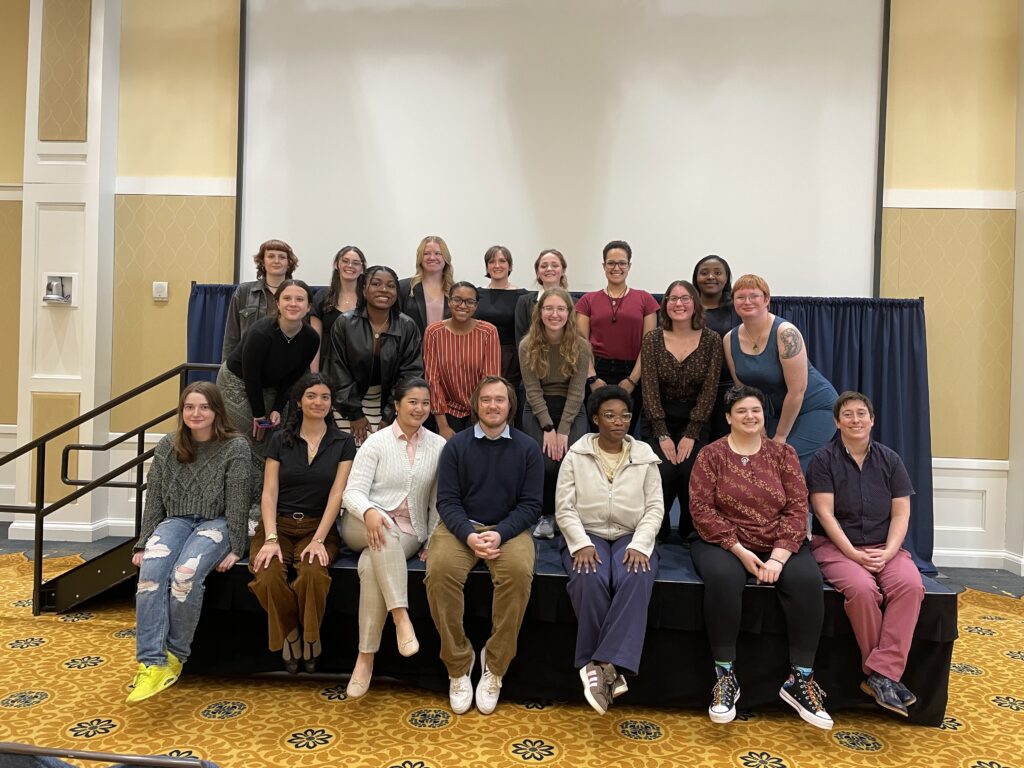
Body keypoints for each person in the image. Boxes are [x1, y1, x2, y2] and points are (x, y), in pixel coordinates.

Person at [689, 385, 832, 730]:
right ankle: (725, 677)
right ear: (728, 418)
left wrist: (779, 558)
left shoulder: (783, 455)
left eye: (755, 410)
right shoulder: (711, 455)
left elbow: (798, 509)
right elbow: (701, 509)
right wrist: (739, 551)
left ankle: (801, 679)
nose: (750, 416)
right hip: (722, 541)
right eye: (741, 411)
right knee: (724, 580)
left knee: (807, 580)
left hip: (778, 542)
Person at [424, 376, 543, 715]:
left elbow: (531, 505)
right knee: (440, 571)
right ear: (476, 405)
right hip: (462, 528)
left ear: (510, 405)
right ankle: (458, 665)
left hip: (508, 529)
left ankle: (495, 666)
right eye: (487, 399)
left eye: (500, 400)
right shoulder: (457, 446)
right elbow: (447, 501)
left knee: (519, 574)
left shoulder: (528, 448)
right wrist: (470, 535)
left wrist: (501, 533)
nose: (493, 406)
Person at [127, 382, 250, 703]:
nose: (196, 413)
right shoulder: (169, 445)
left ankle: (175, 656)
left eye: (204, 407)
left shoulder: (235, 446)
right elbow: (154, 496)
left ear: (217, 411)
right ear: (182, 412)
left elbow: (238, 501)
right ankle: (151, 662)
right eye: (189, 407)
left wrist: (237, 546)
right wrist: (143, 543)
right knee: (150, 576)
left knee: (184, 575)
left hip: (217, 522)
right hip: (177, 520)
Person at [808, 391, 923, 717]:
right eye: (847, 414)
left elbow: (901, 513)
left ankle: (880, 674)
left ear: (872, 420)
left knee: (911, 586)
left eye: (861, 414)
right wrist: (853, 555)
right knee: (861, 590)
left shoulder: (891, 460)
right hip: (836, 548)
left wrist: (887, 552)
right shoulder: (822, 460)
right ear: (837, 422)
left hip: (885, 547)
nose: (855, 420)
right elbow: (825, 514)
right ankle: (883, 676)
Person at [555, 386, 663, 715]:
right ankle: (609, 671)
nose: (619, 422)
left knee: (635, 573)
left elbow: (655, 509)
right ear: (595, 419)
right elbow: (564, 508)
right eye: (610, 415)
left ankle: (600, 666)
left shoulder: (644, 455)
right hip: (587, 533)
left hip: (632, 534)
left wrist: (642, 544)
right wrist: (581, 543)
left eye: (625, 415)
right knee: (588, 576)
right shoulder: (576, 455)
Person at [341, 377, 447, 698]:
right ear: (397, 405)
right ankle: (401, 617)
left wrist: (432, 540)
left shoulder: (439, 446)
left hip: (408, 530)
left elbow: (438, 502)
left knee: (370, 566)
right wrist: (371, 512)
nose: (419, 408)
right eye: (412, 402)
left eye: (425, 403)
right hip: (363, 522)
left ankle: (365, 657)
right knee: (381, 532)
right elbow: (352, 492)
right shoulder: (376, 442)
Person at [248, 373, 356, 674]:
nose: (318, 402)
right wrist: (270, 538)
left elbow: (338, 494)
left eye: (324, 397)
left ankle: (311, 637)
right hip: (278, 525)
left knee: (313, 574)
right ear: (299, 401)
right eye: (311, 396)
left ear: (331, 403)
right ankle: (293, 634)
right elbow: (269, 493)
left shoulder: (343, 442)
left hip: (318, 527)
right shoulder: (280, 438)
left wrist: (319, 539)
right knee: (267, 574)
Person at [724, 274, 838, 471]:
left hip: (815, 408)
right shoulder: (729, 339)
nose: (747, 301)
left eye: (754, 296)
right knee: (761, 462)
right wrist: (759, 429)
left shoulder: (786, 333)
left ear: (767, 300)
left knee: (784, 463)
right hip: (774, 412)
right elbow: (743, 392)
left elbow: (797, 392)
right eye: (740, 297)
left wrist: (780, 437)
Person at [640, 280, 722, 541]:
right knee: (662, 470)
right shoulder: (652, 339)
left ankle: (691, 530)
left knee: (691, 471)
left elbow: (710, 391)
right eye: (672, 298)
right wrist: (662, 434)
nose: (679, 304)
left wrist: (692, 433)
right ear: (665, 304)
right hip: (658, 417)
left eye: (685, 298)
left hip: (696, 418)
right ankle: (657, 530)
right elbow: (649, 389)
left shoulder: (712, 340)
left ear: (695, 303)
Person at [218, 280, 320, 463]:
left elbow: (293, 377)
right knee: (249, 434)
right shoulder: (261, 333)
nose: (293, 304)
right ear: (278, 304)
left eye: (300, 299)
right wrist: (259, 414)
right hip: (238, 382)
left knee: (273, 431)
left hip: (274, 385)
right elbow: (252, 377)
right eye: (287, 298)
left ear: (309, 306)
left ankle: (266, 485)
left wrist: (277, 408)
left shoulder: (311, 338)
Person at [518, 287, 591, 539]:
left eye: (560, 309)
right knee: (547, 463)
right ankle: (546, 515)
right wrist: (549, 428)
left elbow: (577, 391)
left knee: (572, 460)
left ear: (569, 313)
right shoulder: (527, 345)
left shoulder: (580, 346)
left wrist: (563, 430)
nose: (554, 314)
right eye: (548, 308)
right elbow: (532, 390)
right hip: (539, 408)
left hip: (571, 409)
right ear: (540, 313)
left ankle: (569, 515)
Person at [325, 265, 423, 445]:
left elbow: (410, 374)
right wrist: (355, 414)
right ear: (363, 289)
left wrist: (389, 415)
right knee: (349, 454)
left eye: (391, 285)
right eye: (376, 284)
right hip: (347, 402)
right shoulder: (345, 323)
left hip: (391, 404)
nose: (384, 290)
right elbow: (337, 370)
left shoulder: (407, 326)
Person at [576, 240, 659, 436]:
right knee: (597, 431)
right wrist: (592, 378)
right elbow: (581, 343)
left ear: (629, 266)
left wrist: (632, 380)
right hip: (597, 372)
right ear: (603, 266)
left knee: (624, 431)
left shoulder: (645, 299)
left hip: (633, 372)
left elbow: (649, 346)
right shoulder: (587, 300)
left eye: (622, 263)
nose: (616, 268)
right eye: (611, 263)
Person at [423, 282, 501, 439]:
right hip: (447, 410)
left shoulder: (488, 332)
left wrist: (483, 420)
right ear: (449, 301)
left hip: (480, 409)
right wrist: (443, 426)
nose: (463, 305)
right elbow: (432, 380)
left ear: (476, 305)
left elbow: (490, 381)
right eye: (457, 300)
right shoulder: (433, 332)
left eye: (469, 301)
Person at [221, 239, 298, 361]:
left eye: (282, 257)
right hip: (247, 365)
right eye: (271, 256)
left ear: (289, 263)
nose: (276, 261)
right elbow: (231, 337)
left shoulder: (298, 293)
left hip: (287, 366)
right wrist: (226, 371)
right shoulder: (244, 292)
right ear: (262, 262)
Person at [692, 255, 739, 440]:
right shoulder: (685, 309)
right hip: (693, 391)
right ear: (696, 278)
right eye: (704, 273)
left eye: (718, 273)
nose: (711, 277)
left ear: (726, 278)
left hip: (727, 388)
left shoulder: (738, 309)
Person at [474, 246, 528, 392]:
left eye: (502, 261)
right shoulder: (476, 294)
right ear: (487, 267)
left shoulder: (523, 296)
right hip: (479, 356)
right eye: (492, 262)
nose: (497, 265)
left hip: (510, 360)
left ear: (509, 265)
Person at [310, 245, 365, 372]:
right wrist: (314, 375)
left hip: (359, 368)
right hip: (327, 366)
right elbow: (315, 342)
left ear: (362, 269)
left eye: (356, 263)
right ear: (336, 265)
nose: (350, 265)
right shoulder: (321, 297)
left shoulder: (368, 299)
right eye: (345, 261)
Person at [398, 236, 453, 335]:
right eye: (426, 253)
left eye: (438, 253)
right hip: (413, 349)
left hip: (447, 348)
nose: (432, 257)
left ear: (446, 257)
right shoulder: (403, 288)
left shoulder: (455, 291)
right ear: (420, 258)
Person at [514, 249, 569, 346]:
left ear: (563, 270)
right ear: (537, 272)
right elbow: (520, 339)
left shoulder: (575, 303)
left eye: (555, 265)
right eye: (543, 266)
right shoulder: (524, 302)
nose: (549, 269)